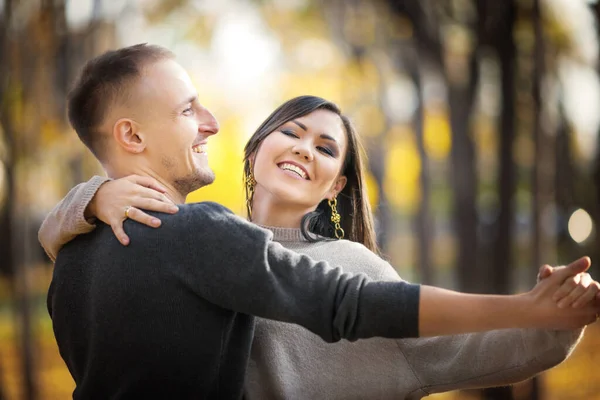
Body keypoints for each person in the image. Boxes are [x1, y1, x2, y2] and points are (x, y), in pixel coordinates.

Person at [40, 44, 600, 399]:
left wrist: (547, 319)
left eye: (327, 148)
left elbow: (452, 351)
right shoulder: (197, 236)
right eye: (291, 132)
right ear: (256, 147)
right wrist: (91, 198)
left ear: (338, 187)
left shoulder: (352, 264)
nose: (305, 149)